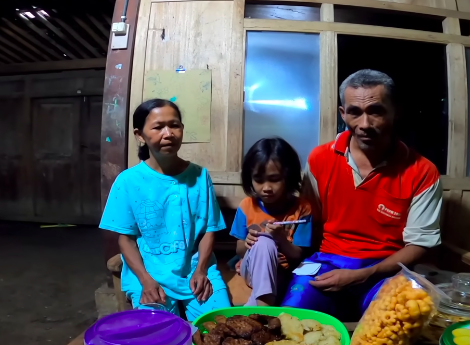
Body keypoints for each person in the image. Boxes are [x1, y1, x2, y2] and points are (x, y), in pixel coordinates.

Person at [281, 69, 442, 318]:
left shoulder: (422, 171)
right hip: (328, 260)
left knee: (389, 328)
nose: (364, 124)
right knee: (292, 317)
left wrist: (364, 274)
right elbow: (307, 221)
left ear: (395, 112)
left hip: (387, 268)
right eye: (355, 112)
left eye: (375, 111)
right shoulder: (320, 159)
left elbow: (420, 243)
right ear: (343, 113)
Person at [99, 98, 231, 320]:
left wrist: (201, 270)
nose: (168, 133)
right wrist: (146, 280)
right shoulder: (128, 181)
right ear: (140, 135)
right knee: (157, 336)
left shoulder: (200, 175)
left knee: (221, 327)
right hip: (150, 274)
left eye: (174, 125)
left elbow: (209, 229)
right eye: (158, 127)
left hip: (195, 269)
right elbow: (126, 239)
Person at [230, 137, 313, 306]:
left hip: (283, 272)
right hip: (252, 271)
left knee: (268, 241)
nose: (266, 187)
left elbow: (297, 256)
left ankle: (257, 306)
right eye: (259, 180)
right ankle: (265, 305)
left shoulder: (302, 209)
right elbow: (239, 249)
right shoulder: (247, 206)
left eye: (274, 179)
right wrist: (247, 242)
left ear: (288, 177)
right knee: (263, 241)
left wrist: (281, 239)